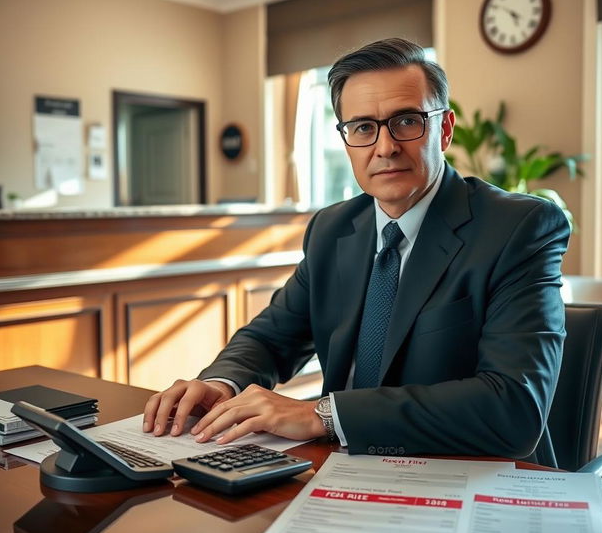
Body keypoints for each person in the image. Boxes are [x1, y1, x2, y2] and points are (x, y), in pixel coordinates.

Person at [143, 38, 570, 465]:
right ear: (347, 140)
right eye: (363, 127)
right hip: (342, 470)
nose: (384, 147)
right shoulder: (332, 228)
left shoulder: (519, 228)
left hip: (471, 476)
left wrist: (326, 415)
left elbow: (513, 409)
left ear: (444, 129)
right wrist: (222, 384)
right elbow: (272, 337)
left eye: (406, 121)